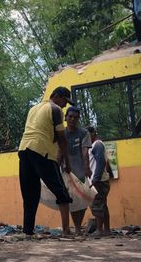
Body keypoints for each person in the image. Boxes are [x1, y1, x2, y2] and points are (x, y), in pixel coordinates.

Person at [18, 86, 74, 237]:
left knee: (30, 194)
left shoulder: (33, 108)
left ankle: (27, 231)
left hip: (24, 149)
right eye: (65, 101)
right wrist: (67, 163)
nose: (65, 105)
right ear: (58, 96)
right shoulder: (55, 109)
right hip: (41, 150)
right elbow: (62, 139)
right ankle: (66, 230)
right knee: (61, 191)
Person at [62, 106, 92, 236]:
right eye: (70, 116)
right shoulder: (61, 133)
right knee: (73, 201)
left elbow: (85, 151)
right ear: (66, 118)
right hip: (67, 172)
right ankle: (77, 228)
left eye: (76, 117)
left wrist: (87, 167)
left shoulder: (84, 133)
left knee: (84, 200)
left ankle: (78, 226)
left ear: (78, 119)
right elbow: (59, 152)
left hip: (81, 172)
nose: (73, 119)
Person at [87, 126, 111, 236]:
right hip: (102, 180)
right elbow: (106, 163)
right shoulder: (97, 145)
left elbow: (101, 162)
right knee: (102, 205)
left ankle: (99, 230)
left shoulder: (97, 145)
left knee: (97, 205)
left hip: (99, 181)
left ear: (92, 133)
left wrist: (95, 179)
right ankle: (106, 230)